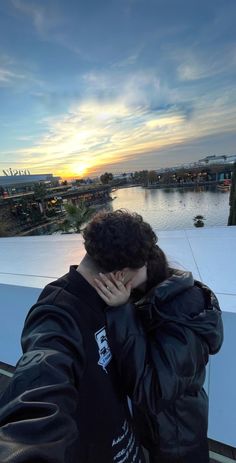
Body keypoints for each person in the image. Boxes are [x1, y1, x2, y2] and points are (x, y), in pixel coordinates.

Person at [0, 209, 163, 463]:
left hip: (125, 445)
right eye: (135, 278)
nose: (134, 289)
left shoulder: (111, 301)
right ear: (120, 273)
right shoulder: (56, 311)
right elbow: (43, 374)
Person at [93, 228, 223, 463]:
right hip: (158, 429)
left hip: (178, 435)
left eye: (117, 269)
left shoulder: (182, 309)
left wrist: (122, 312)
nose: (113, 277)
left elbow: (154, 393)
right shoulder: (148, 294)